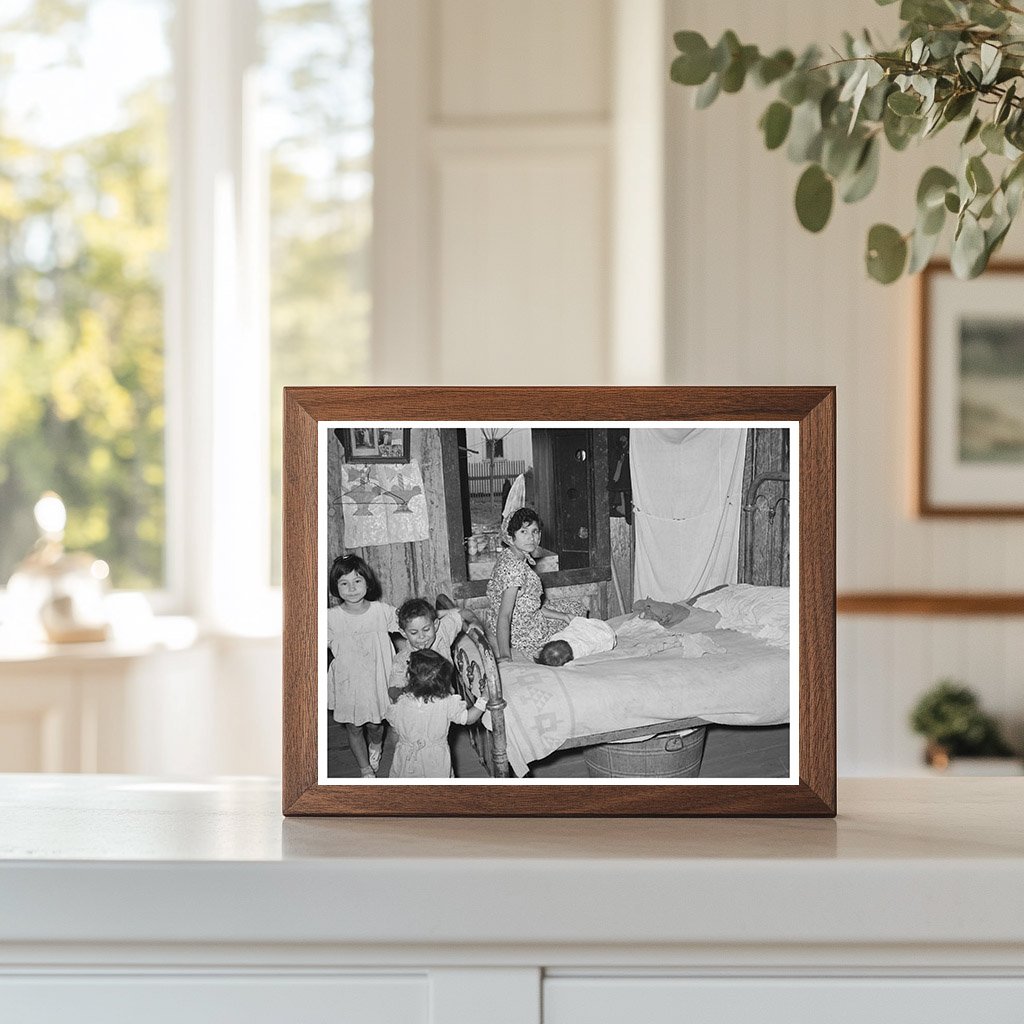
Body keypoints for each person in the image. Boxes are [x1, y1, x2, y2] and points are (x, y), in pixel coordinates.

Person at [326, 553, 398, 778]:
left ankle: (376, 746)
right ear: (335, 588)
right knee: (354, 727)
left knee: (376, 725)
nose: (352, 588)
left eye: (357, 581)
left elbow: (410, 622)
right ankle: (365, 768)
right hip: (349, 682)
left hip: (377, 679)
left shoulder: (382, 611)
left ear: (368, 581)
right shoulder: (330, 618)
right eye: (344, 583)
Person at [485, 506, 570, 663]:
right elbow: (505, 615)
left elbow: (524, 606)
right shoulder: (515, 570)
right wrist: (505, 655)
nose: (531, 537)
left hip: (519, 621)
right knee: (575, 626)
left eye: (535, 531)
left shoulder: (510, 555)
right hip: (522, 633)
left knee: (571, 611)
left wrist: (564, 616)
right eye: (523, 532)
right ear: (510, 537)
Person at [386, 649, 486, 778]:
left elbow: (394, 733)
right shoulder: (446, 703)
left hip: (407, 759)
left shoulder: (400, 704)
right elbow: (469, 718)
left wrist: (403, 747)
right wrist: (483, 699)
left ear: (409, 678)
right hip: (436, 761)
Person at [387, 597, 478, 701]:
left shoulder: (442, 633)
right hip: (422, 711)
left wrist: (475, 622)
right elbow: (393, 690)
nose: (421, 636)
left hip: (448, 704)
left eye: (426, 629)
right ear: (404, 633)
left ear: (435, 625)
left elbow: (464, 613)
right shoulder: (402, 659)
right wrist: (409, 697)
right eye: (414, 633)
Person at [536, 616, 617, 666]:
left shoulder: (577, 655)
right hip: (601, 628)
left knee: (577, 630)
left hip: (608, 638)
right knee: (576, 627)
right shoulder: (557, 637)